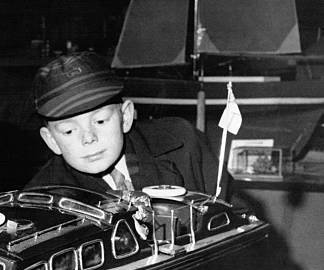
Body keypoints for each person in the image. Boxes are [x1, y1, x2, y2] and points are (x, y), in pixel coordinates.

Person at [26, 51, 231, 199]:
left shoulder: (183, 142)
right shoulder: (42, 199)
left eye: (100, 121)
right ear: (51, 140)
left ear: (125, 117)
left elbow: (239, 217)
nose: (88, 138)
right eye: (69, 131)